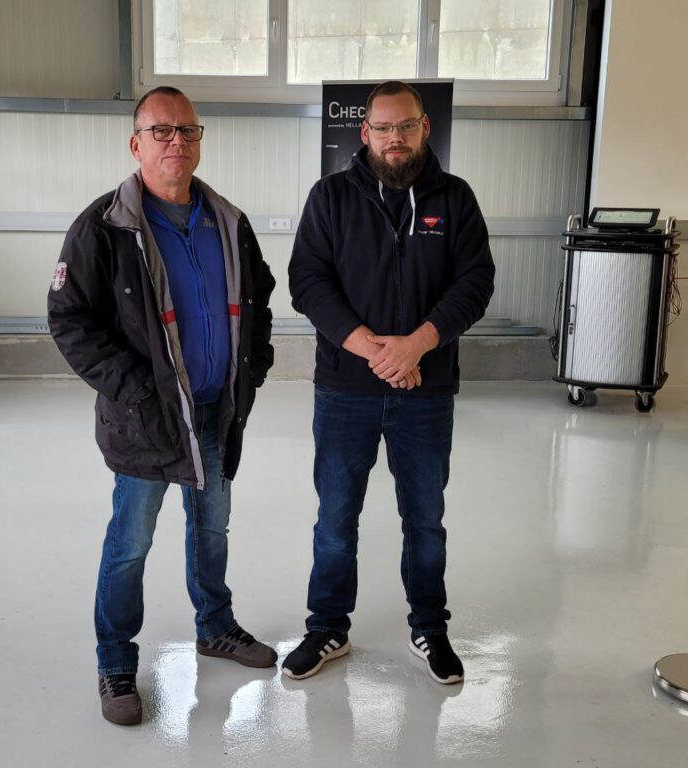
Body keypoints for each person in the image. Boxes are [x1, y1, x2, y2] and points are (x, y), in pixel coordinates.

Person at [48, 86, 277, 726]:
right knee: (130, 543)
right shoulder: (103, 226)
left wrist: (254, 366)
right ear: (136, 143)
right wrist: (139, 392)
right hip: (147, 420)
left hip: (215, 411)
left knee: (212, 528)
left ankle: (216, 627)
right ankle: (115, 663)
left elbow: (258, 298)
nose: (177, 141)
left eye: (188, 130)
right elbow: (69, 320)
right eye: (162, 130)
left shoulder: (228, 221)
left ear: (199, 140)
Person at [284, 80, 495, 684]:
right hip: (345, 389)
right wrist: (373, 349)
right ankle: (327, 627)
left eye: (405, 126)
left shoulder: (455, 198)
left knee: (424, 520)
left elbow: (475, 282)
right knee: (335, 519)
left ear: (425, 127)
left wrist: (417, 344)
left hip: (425, 391)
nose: (394, 138)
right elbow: (308, 282)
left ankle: (429, 627)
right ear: (365, 132)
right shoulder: (330, 197)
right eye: (383, 128)